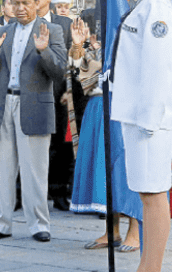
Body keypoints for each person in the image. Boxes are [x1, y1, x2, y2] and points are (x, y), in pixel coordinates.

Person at [0, 0, 66, 243]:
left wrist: (44, 51)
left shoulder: (51, 31)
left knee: (34, 171)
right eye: (15, 3)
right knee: (1, 170)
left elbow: (59, 72)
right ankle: (0, 224)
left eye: (26, 3)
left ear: (37, 2)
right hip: (3, 104)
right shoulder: (1, 30)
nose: (20, 8)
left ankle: (39, 225)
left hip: (35, 107)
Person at [111, 0, 172, 272]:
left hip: (149, 119)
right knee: (149, 194)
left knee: (153, 196)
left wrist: (150, 120)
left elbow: (159, 67)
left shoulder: (160, 3)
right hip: (138, 115)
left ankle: (150, 268)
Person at [68, 16, 141, 253]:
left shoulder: (137, 46)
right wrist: (78, 46)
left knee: (125, 170)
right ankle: (112, 232)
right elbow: (85, 79)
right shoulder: (102, 51)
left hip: (124, 111)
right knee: (104, 171)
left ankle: (135, 232)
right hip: (98, 109)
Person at [31, 0, 75, 212]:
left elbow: (73, 60)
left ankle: (58, 192)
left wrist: (69, 89)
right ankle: (23, 193)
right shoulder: (22, 23)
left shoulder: (66, 25)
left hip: (58, 95)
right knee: (30, 145)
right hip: (31, 93)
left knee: (59, 146)